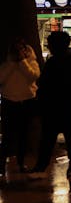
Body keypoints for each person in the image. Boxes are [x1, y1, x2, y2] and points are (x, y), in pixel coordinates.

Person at [28, 31, 71, 179]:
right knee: (69, 137)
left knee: (48, 138)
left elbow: (43, 84)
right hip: (67, 105)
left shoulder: (52, 62)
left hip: (53, 106)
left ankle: (41, 166)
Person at [0, 37, 40, 177]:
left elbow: (33, 76)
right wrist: (12, 64)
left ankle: (21, 162)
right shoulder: (6, 64)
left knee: (24, 134)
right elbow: (1, 78)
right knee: (7, 135)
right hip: (9, 101)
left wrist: (22, 62)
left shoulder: (31, 63)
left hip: (26, 101)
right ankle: (2, 163)